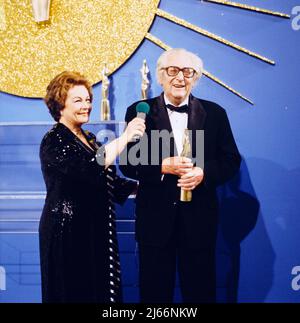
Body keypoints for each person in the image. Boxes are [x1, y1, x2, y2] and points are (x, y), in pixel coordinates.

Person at [120, 48, 241, 303]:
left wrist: (203, 173)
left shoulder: (215, 113)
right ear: (160, 76)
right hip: (154, 222)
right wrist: (161, 167)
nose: (180, 78)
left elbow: (231, 160)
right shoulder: (139, 111)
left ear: (195, 78)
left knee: (200, 292)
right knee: (154, 295)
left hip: (199, 221)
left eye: (188, 72)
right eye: (172, 71)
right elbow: (126, 162)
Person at [39, 71, 145, 303]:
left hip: (94, 229)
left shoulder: (90, 138)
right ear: (60, 104)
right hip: (67, 232)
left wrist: (149, 186)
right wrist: (125, 137)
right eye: (78, 100)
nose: (86, 105)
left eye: (88, 99)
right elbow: (89, 168)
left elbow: (111, 183)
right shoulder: (54, 139)